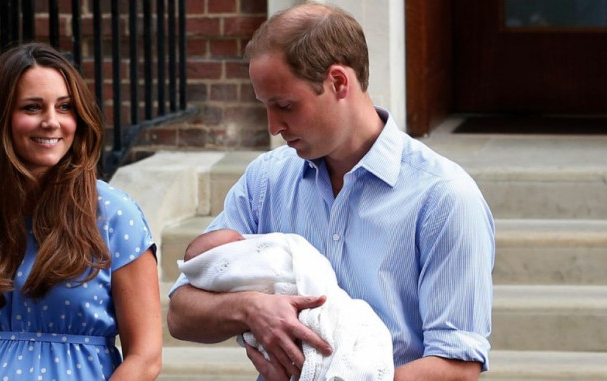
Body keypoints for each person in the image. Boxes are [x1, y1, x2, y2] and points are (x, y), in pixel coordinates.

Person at [167, 2, 495, 381]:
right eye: (265, 107)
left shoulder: (445, 198)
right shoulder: (265, 180)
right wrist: (250, 308)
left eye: (285, 105)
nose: (273, 126)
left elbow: (458, 366)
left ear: (339, 82)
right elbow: (181, 312)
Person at [0, 43, 162, 381]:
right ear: (1, 118)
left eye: (65, 107)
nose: (52, 122)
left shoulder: (114, 215)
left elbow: (146, 356)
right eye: (33, 107)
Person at [180, 229, 394, 381]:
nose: (241, 239)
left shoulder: (426, 190)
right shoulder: (260, 183)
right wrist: (248, 307)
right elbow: (178, 315)